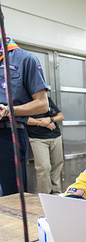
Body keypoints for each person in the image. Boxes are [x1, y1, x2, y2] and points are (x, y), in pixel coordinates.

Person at [0, 36, 48, 196]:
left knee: (11, 196)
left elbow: (42, 104)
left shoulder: (25, 60)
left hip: (8, 135)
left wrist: (8, 110)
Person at [26, 96, 64, 194]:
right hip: (37, 138)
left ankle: (57, 193)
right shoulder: (24, 100)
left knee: (57, 165)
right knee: (44, 167)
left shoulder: (46, 99)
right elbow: (24, 119)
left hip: (55, 136)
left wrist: (50, 119)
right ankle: (46, 196)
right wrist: (43, 123)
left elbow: (60, 116)